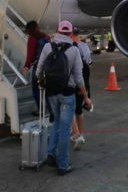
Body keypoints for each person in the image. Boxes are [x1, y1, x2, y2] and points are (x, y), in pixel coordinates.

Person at [36, 20, 92, 176]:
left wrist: (42, 83)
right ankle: (63, 164)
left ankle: (51, 155)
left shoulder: (48, 47)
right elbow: (79, 78)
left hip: (51, 93)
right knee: (65, 129)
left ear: (58, 31)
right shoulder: (74, 51)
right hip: (67, 93)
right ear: (70, 33)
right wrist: (86, 97)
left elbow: (39, 70)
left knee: (56, 122)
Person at [71, 29, 92, 150]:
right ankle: (81, 134)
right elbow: (89, 66)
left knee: (70, 110)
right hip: (84, 82)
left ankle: (76, 133)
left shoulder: (71, 47)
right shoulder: (84, 46)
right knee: (79, 110)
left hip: (73, 82)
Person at [22, 21, 50, 115]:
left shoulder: (32, 39)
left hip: (38, 67)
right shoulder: (46, 37)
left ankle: (40, 110)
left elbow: (30, 56)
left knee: (36, 89)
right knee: (47, 89)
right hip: (49, 66)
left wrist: (26, 67)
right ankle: (51, 109)